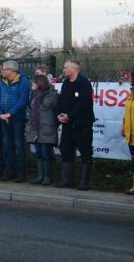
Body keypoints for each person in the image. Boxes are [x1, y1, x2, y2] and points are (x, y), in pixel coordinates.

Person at [56, 60, 96, 190]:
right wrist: (60, 115)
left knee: (85, 152)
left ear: (73, 69)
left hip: (81, 124)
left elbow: (84, 103)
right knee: (65, 150)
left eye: (65, 67)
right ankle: (68, 180)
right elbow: (62, 101)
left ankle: (84, 182)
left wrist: (70, 116)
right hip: (67, 125)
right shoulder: (66, 83)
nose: (64, 70)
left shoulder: (84, 83)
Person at [0, 60, 31, 182]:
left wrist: (10, 113)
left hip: (17, 118)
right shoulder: (1, 82)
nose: (2, 71)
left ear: (12, 70)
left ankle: (21, 173)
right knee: (7, 145)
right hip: (3, 118)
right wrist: (0, 114)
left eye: (5, 69)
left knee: (19, 145)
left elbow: (23, 100)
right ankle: (11, 170)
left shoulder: (23, 82)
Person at [25, 74, 58, 185]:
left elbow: (56, 110)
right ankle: (40, 175)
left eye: (34, 82)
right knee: (38, 152)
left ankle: (48, 176)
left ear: (39, 83)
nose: (31, 84)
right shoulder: (33, 95)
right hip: (35, 128)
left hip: (46, 127)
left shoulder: (52, 95)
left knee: (46, 152)